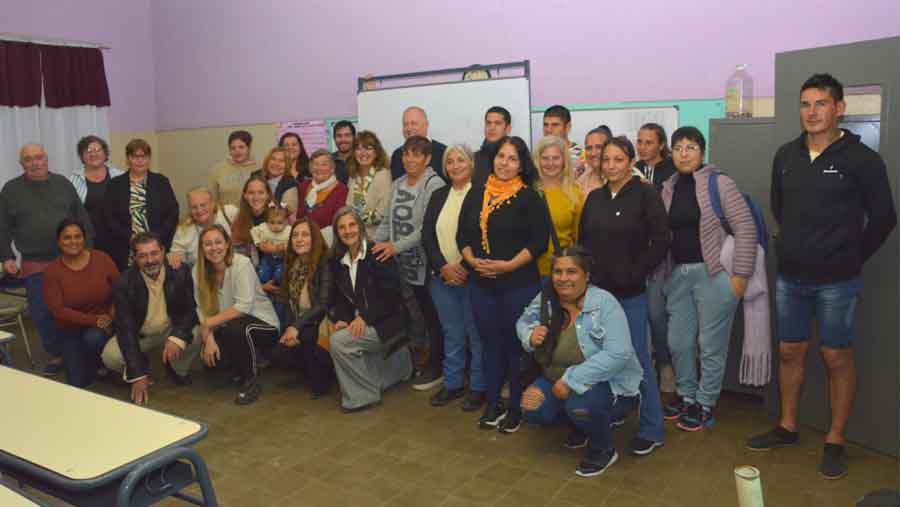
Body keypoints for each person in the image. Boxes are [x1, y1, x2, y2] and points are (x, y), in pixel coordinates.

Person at [747, 73, 897, 480]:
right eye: (805, 104)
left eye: (821, 103)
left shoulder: (862, 160)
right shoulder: (786, 155)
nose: (812, 112)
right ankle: (788, 426)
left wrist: (852, 256)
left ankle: (835, 439)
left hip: (838, 280)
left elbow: (885, 217)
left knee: (836, 357)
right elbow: (780, 207)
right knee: (790, 352)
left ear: (839, 109)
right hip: (791, 277)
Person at [657, 126, 757, 432]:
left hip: (712, 275)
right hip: (678, 276)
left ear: (702, 152)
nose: (683, 153)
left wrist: (740, 276)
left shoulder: (720, 183)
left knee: (711, 344)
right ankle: (686, 395)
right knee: (678, 342)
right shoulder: (668, 187)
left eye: (690, 147)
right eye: (678, 148)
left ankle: (705, 402)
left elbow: (746, 228)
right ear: (671, 153)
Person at [578, 136, 670, 456]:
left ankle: (652, 428)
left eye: (619, 159)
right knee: (599, 357)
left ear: (631, 161)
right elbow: (583, 245)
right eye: (607, 160)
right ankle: (613, 412)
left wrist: (635, 273)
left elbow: (660, 242)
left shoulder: (646, 195)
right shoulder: (594, 198)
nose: (612, 166)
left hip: (630, 294)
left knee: (637, 359)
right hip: (598, 296)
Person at [517, 246, 642, 477]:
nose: (563, 278)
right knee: (531, 409)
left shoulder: (604, 303)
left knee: (581, 406)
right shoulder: (547, 297)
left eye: (571, 271)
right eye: (557, 271)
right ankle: (580, 426)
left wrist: (572, 380)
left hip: (603, 383)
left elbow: (619, 353)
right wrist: (529, 335)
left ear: (586, 275)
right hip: (555, 378)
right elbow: (523, 321)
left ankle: (602, 448)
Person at [457, 135, 550, 432]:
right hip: (481, 285)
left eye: (512, 158)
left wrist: (507, 265)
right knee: (489, 345)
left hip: (518, 284)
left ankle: (515, 407)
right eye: (501, 157)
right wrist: (472, 261)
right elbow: (462, 236)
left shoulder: (529, 197)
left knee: (515, 347)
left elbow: (539, 243)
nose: (505, 163)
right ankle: (493, 402)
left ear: (522, 164)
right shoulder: (476, 193)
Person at [0, 143, 94, 376]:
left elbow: (82, 219)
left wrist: (88, 250)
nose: (35, 163)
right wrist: (7, 256)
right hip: (34, 262)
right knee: (41, 311)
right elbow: (2, 228)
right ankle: (56, 354)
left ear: (46, 159)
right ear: (22, 164)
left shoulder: (63, 184)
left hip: (70, 259)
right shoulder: (11, 190)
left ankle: (82, 352)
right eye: (29, 159)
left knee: (75, 307)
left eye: (39, 157)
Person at [375, 136, 446, 391]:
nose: (410, 159)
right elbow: (387, 222)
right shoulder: (397, 183)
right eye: (406, 153)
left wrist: (395, 247)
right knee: (414, 317)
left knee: (432, 317)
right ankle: (416, 361)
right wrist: (373, 244)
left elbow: (425, 229)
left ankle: (437, 366)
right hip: (402, 266)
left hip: (427, 265)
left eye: (417, 154)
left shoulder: (434, 184)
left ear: (427, 159)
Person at [329, 207, 415, 412]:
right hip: (365, 323)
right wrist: (342, 318)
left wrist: (365, 318)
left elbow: (391, 297)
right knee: (340, 332)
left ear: (360, 227)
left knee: (338, 342)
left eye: (351, 225)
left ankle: (363, 397)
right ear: (337, 232)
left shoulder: (377, 253)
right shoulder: (338, 260)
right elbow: (341, 298)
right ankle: (401, 365)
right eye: (342, 228)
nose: (347, 231)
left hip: (389, 322)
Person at [103, 232, 201, 404]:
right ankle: (142, 364)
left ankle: (178, 368)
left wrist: (177, 336)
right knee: (110, 356)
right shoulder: (124, 283)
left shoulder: (180, 271)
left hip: (170, 329)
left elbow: (190, 310)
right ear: (135, 258)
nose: (150, 260)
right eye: (143, 256)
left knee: (198, 332)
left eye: (154, 253)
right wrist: (137, 373)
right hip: (142, 335)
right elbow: (125, 329)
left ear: (163, 252)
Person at [421, 144, 485, 410]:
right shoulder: (438, 195)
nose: (455, 165)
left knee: (476, 334)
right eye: (450, 161)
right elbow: (427, 235)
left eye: (461, 160)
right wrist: (442, 267)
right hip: (442, 279)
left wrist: (464, 269)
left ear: (471, 164)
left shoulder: (482, 195)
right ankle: (453, 383)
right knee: (452, 333)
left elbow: (484, 237)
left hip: (473, 279)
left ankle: (480, 387)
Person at [193, 224, 280, 405]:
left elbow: (243, 307)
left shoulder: (242, 263)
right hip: (228, 325)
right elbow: (200, 309)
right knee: (214, 364)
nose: (214, 248)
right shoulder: (197, 271)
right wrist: (208, 339)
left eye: (218, 242)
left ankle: (251, 381)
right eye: (208, 244)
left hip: (264, 324)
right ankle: (241, 364)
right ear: (202, 249)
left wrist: (207, 325)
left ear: (227, 244)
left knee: (237, 328)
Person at [43, 219, 119, 387]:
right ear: (58, 242)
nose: (73, 242)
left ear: (84, 239)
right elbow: (58, 310)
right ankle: (92, 364)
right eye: (67, 237)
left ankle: (104, 364)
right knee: (77, 383)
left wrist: (111, 316)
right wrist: (95, 320)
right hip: (71, 329)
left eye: (77, 236)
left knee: (94, 338)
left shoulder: (101, 258)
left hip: (104, 325)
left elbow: (120, 290)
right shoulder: (52, 272)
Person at [270, 218, 335, 398]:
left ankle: (325, 376)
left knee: (306, 337)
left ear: (314, 238)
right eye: (295, 235)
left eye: (305, 235)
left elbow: (324, 303)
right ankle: (309, 368)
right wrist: (290, 327)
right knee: (278, 353)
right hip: (302, 321)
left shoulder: (325, 262)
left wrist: (295, 328)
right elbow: (289, 302)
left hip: (323, 321)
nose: (299, 239)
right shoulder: (293, 265)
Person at [635, 122, 677, 393]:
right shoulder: (631, 167)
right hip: (635, 250)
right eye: (639, 141)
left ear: (661, 144)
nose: (643, 147)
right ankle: (642, 368)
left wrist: (652, 191)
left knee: (657, 312)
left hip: (665, 252)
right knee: (639, 314)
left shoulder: (672, 170)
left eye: (649, 142)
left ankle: (666, 364)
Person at [104, 139, 179, 271]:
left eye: (143, 156)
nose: (139, 161)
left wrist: (155, 239)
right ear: (128, 159)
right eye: (135, 156)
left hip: (157, 246)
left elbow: (173, 213)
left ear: (149, 159)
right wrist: (130, 237)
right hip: (126, 248)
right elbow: (109, 217)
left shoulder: (161, 182)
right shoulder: (115, 185)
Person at [532, 135, 583, 278]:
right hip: (528, 273)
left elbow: (578, 236)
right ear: (537, 160)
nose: (550, 163)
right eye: (545, 158)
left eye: (556, 158)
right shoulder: (528, 191)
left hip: (561, 272)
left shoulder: (575, 192)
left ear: (564, 161)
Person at [68, 135, 125, 257]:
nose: (93, 154)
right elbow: (70, 212)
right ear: (82, 156)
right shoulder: (73, 180)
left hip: (119, 239)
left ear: (105, 154)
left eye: (98, 150)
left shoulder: (121, 176)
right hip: (87, 241)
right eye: (88, 151)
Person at [168, 187, 239, 269]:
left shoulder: (229, 213)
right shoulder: (183, 231)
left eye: (203, 205)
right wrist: (174, 258)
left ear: (212, 204)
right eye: (194, 207)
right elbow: (175, 256)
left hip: (235, 270)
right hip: (203, 276)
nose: (199, 210)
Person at [345, 130, 391, 239]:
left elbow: (382, 214)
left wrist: (354, 220)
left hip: (375, 239)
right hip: (353, 237)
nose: (363, 153)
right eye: (358, 148)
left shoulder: (383, 175)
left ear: (376, 152)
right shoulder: (353, 176)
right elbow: (348, 207)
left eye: (368, 148)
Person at [295, 149, 349, 242]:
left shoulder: (342, 190)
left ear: (332, 169)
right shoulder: (303, 186)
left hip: (328, 242)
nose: (319, 168)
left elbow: (338, 223)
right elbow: (299, 217)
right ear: (310, 168)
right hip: (302, 240)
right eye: (315, 164)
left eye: (324, 164)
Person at [389, 106, 447, 182]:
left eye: (414, 123)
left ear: (426, 125)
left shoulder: (443, 153)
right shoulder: (397, 155)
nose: (409, 128)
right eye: (405, 124)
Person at [230, 176, 273, 266]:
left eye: (261, 192)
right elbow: (237, 255)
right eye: (251, 193)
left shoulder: (280, 218)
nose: (256, 197)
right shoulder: (238, 222)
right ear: (245, 195)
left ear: (268, 195)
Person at [210, 130, 257, 206]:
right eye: (233, 148)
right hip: (225, 215)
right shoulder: (218, 169)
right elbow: (213, 199)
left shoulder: (258, 168)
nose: (237, 151)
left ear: (249, 148)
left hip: (251, 216)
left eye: (241, 147)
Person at [473, 106, 512, 187]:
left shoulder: (518, 156)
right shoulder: (473, 159)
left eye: (497, 123)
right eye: (488, 123)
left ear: (508, 129)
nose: (492, 128)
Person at [251, 204, 291, 284]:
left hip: (282, 260)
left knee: (279, 276)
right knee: (262, 276)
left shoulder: (289, 230)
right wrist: (259, 243)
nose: (275, 226)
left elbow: (293, 240)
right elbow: (253, 231)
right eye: (272, 222)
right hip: (267, 258)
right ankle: (265, 284)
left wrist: (285, 246)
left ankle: (275, 283)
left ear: (286, 222)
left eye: (280, 223)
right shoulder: (264, 227)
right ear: (267, 221)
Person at [542, 105, 584, 178]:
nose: (549, 130)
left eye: (555, 125)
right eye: (545, 125)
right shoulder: (538, 154)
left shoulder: (582, 155)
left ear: (568, 127)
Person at [253, 147, 298, 212]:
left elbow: (287, 211)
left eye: (281, 161)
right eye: (273, 159)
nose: (276, 164)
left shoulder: (291, 184)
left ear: (287, 165)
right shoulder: (256, 176)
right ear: (267, 161)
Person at [576, 126, 612, 197]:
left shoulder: (621, 176)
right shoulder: (582, 176)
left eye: (599, 147)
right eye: (589, 148)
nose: (593, 153)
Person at [331, 120, 356, 184]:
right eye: (339, 136)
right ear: (334, 138)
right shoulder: (328, 160)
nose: (343, 139)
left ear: (354, 137)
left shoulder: (361, 160)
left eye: (347, 135)